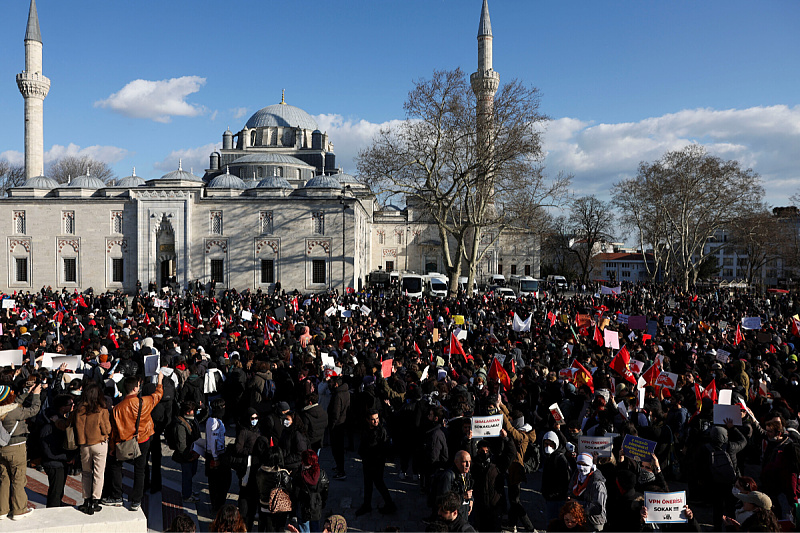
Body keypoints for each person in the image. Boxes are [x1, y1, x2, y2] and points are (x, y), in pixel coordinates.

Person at [104, 372, 164, 510]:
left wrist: (112, 447)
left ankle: (117, 496)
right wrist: (159, 381)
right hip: (143, 438)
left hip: (124, 441)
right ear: (136, 388)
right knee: (140, 469)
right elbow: (158, 395)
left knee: (116, 466)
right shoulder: (144, 402)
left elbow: (113, 431)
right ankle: (136, 500)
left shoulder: (117, 408)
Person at [0, 381, 46, 520]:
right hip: (16, 448)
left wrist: (27, 392)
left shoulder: (5, 410)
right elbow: (33, 410)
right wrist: (36, 395)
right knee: (19, 479)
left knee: (4, 479)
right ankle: (19, 510)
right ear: (8, 397)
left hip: (2, 448)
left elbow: (12, 402)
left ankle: (2, 510)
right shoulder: (14, 412)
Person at [74, 380, 112, 515]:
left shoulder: (79, 409)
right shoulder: (101, 409)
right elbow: (106, 428)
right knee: (98, 473)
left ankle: (86, 499)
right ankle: (95, 500)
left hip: (84, 444)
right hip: (99, 443)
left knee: (86, 473)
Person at [356, 409, 397, 516]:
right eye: (373, 419)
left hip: (377, 462)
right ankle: (367, 505)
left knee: (379, 483)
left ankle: (390, 504)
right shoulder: (365, 429)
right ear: (367, 420)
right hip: (367, 461)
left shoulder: (381, 431)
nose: (375, 421)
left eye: (377, 418)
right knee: (368, 484)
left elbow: (385, 447)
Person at [40, 394, 78, 507]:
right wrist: (66, 457)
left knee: (59, 487)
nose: (73, 406)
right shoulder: (50, 424)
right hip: (55, 462)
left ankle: (56, 504)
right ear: (62, 407)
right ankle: (53, 508)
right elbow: (48, 448)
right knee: (55, 489)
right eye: (70, 404)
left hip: (59, 460)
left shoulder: (59, 420)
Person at [171, 400, 202, 503]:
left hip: (194, 451)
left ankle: (188, 491)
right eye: (192, 410)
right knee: (187, 475)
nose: (194, 412)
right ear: (187, 412)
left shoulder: (193, 420)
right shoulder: (180, 425)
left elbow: (204, 415)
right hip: (186, 455)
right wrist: (189, 456)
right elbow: (181, 445)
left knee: (192, 472)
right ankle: (186, 495)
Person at [292, 449, 329, 533]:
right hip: (316, 506)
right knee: (316, 528)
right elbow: (325, 491)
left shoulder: (300, 475)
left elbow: (295, 492)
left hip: (303, 507)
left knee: (304, 529)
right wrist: (322, 503)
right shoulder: (322, 474)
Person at [567, 453, 607, 531]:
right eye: (579, 464)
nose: (581, 467)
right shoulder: (577, 475)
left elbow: (597, 508)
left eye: (585, 465)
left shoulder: (597, 483)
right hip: (579, 519)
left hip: (593, 522)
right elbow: (570, 488)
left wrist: (576, 503)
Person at [206, 398, 232, 513]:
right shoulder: (215, 423)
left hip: (215, 454)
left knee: (215, 483)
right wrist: (216, 458)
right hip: (216, 456)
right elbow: (213, 441)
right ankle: (217, 505)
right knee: (220, 482)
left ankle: (216, 505)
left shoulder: (212, 420)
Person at [541, 430, 572, 522]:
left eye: (551, 444)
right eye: (546, 444)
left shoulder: (560, 459)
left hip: (557, 498)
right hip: (550, 497)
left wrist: (556, 494)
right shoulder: (548, 457)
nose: (548, 447)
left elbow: (565, 479)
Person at [328, 376, 350, 480]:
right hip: (343, 423)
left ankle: (341, 471)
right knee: (338, 449)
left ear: (336, 384)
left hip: (337, 425)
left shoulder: (337, 395)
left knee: (337, 449)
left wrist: (331, 426)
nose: (330, 384)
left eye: (331, 382)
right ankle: (339, 467)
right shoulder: (345, 392)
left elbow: (335, 413)